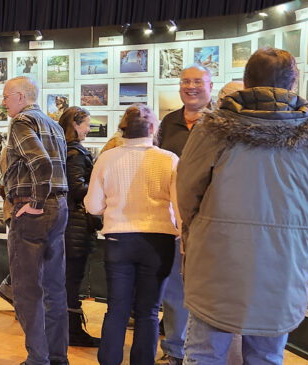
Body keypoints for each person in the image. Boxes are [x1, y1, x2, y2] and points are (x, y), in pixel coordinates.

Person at [179, 48, 308, 364]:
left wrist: (198, 234)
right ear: (293, 83)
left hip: (216, 260)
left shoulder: (211, 129)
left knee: (204, 355)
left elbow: (187, 194)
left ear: (246, 82)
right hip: (283, 264)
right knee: (266, 357)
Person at [85, 104, 180, 364]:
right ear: (153, 128)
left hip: (119, 240)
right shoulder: (169, 159)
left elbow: (93, 206)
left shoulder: (107, 158)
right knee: (148, 311)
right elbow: (179, 206)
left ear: (122, 128)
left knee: (117, 308)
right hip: (159, 241)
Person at [1, 76, 70, 365]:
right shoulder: (55, 125)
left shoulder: (21, 121)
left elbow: (41, 163)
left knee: (27, 289)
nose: (3, 102)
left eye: (6, 97)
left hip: (33, 211)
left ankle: (38, 359)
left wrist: (36, 202)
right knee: (54, 288)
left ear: (20, 96)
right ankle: (57, 357)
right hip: (60, 207)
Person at [155, 64, 214, 365]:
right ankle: (176, 351)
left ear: (210, 86)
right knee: (175, 289)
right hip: (176, 219)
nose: (191, 87)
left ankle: (207, 353)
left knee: (211, 289)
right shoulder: (169, 122)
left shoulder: (221, 122)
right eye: (186, 81)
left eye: (197, 81)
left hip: (213, 219)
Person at [55, 106, 103, 348]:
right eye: (86, 124)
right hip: (75, 225)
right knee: (72, 281)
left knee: (69, 280)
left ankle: (69, 331)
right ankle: (72, 332)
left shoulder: (66, 149)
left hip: (70, 224)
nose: (88, 129)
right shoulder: (74, 153)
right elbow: (76, 189)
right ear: (75, 124)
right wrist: (101, 188)